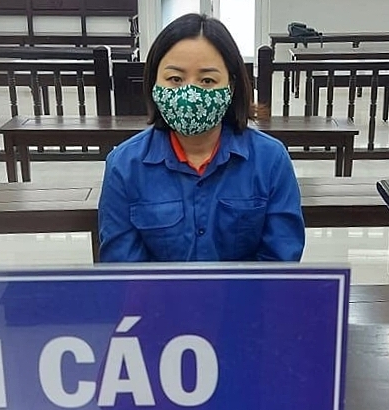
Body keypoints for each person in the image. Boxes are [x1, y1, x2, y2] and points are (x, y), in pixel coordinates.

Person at [98, 13, 305, 262]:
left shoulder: (270, 160)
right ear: (154, 83)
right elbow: (123, 267)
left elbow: (280, 261)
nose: (190, 94)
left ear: (231, 87)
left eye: (207, 80)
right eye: (175, 79)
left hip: (249, 290)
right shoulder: (123, 166)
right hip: (155, 291)